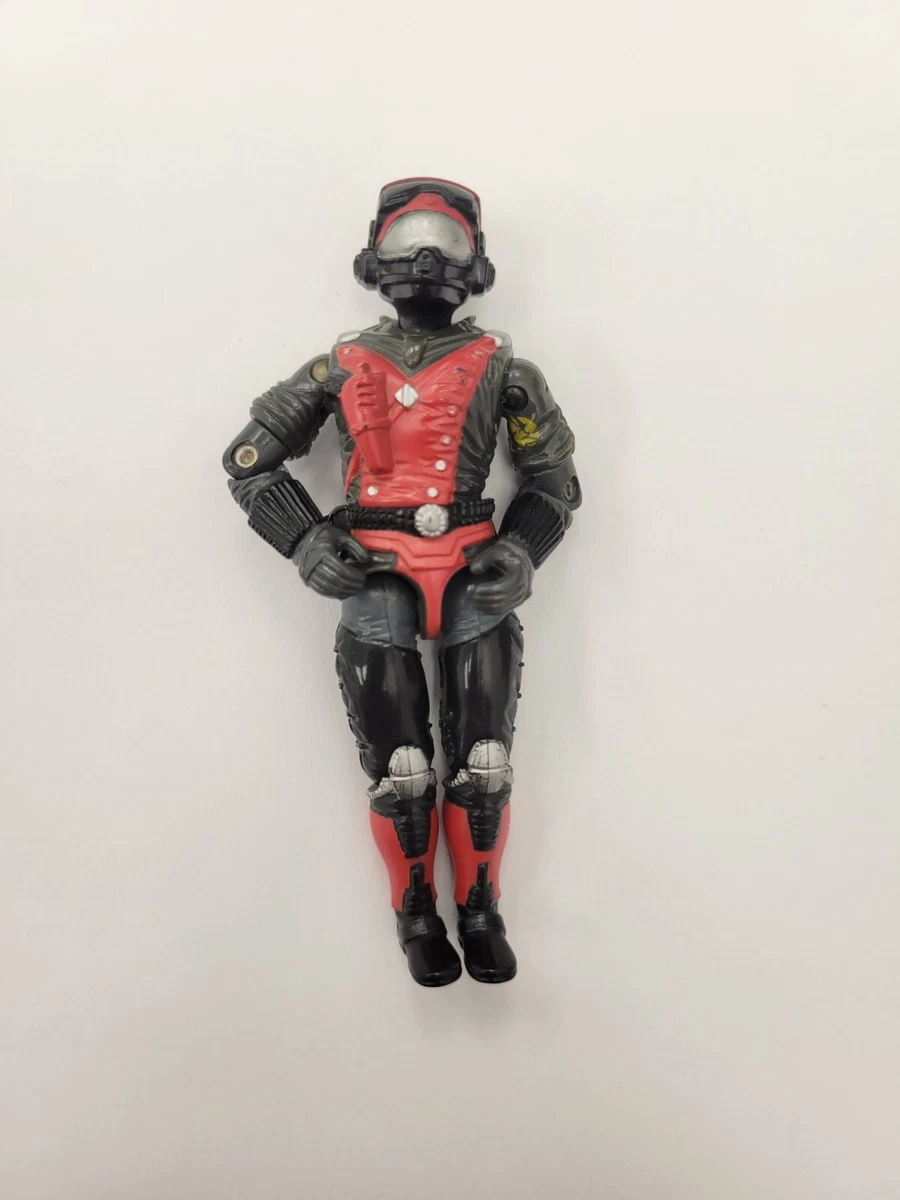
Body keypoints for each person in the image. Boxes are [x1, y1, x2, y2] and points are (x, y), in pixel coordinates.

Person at [223, 178, 581, 986]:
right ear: (373, 258)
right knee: (402, 769)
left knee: (484, 763)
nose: (424, 257)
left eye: (445, 242)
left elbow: (555, 480)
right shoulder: (337, 367)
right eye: (406, 240)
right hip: (374, 568)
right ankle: (417, 916)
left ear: (476, 263)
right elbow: (247, 461)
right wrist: (304, 538)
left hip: (472, 569)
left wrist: (523, 549)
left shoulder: (508, 370)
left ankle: (481, 911)